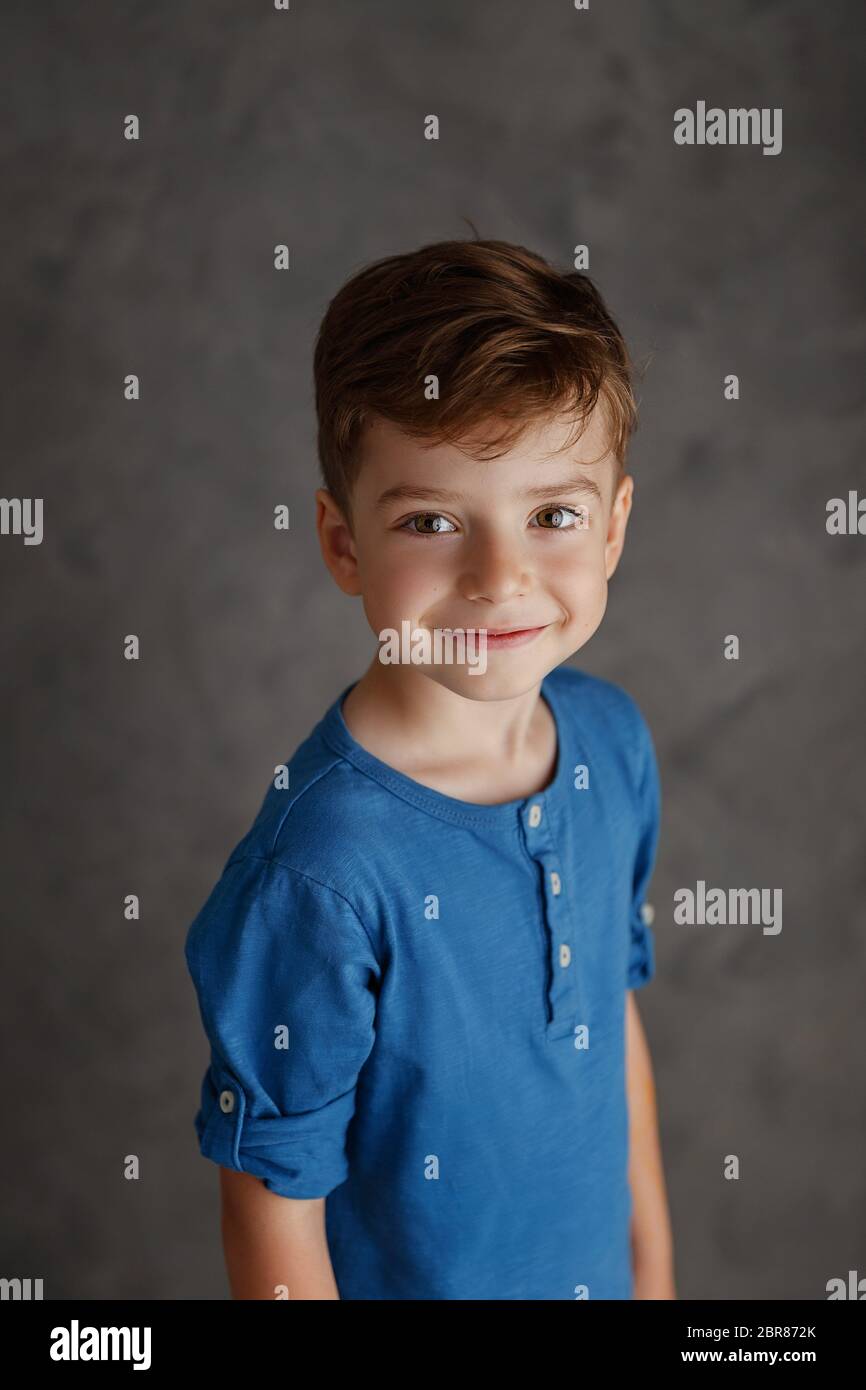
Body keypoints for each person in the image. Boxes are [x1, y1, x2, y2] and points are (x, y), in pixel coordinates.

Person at [184, 238, 676, 1300]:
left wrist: (655, 1283)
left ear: (613, 528)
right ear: (341, 542)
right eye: (430, 521)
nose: (499, 579)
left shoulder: (611, 743)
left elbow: (608, 1029)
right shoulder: (316, 873)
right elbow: (270, 1208)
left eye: (551, 515)